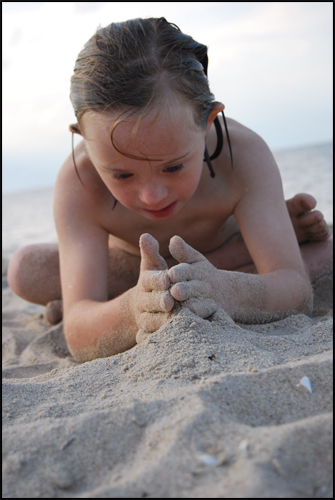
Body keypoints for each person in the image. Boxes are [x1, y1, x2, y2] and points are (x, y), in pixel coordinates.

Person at [7, 18, 332, 362]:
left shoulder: (244, 156)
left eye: (173, 167)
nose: (153, 195)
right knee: (25, 269)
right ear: (85, 139)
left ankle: (206, 272)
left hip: (211, 256)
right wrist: (133, 309)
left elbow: (297, 292)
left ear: (208, 123)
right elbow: (78, 336)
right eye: (122, 175)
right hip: (132, 267)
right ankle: (241, 255)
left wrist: (225, 292)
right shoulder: (79, 182)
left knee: (327, 255)